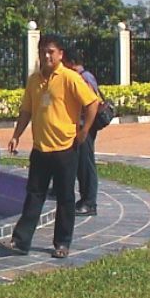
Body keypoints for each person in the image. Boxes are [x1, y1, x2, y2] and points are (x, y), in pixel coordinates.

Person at [5, 34, 98, 258]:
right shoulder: (34, 80)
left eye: (51, 52)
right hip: (41, 149)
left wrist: (84, 132)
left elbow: (93, 102)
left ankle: (62, 243)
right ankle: (20, 240)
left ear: (60, 54)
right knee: (34, 195)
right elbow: (26, 110)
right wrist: (16, 134)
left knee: (66, 198)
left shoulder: (69, 78)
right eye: (43, 51)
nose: (47, 56)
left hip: (66, 148)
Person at [62, 48, 101, 216]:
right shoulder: (86, 76)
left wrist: (85, 129)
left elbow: (93, 103)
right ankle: (85, 198)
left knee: (86, 165)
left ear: (70, 62)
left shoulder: (82, 78)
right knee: (81, 163)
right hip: (83, 126)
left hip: (86, 127)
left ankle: (89, 202)